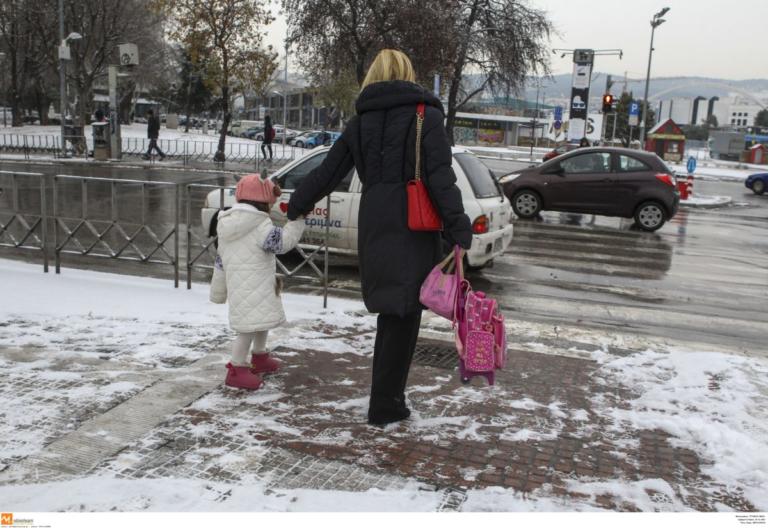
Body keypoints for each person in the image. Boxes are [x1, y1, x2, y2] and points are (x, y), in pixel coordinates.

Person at [287, 49, 472, 426]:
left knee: (392, 312)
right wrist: (458, 225)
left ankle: (387, 398)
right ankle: (386, 404)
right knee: (404, 314)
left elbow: (328, 171)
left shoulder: (360, 122)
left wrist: (296, 204)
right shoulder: (427, 116)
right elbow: (440, 177)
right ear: (408, 73)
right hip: (412, 224)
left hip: (374, 219)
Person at [209, 174, 305, 390]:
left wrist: (218, 291)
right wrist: (297, 222)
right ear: (263, 201)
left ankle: (260, 357)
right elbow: (282, 243)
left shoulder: (226, 224)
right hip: (255, 285)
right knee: (247, 329)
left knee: (259, 321)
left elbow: (220, 260)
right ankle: (236, 368)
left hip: (244, 286)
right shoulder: (259, 224)